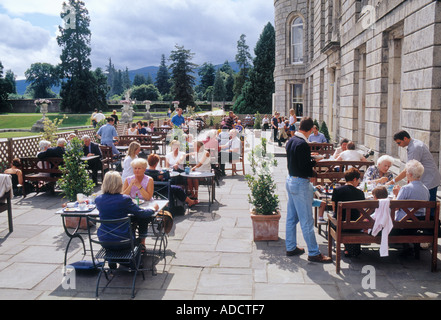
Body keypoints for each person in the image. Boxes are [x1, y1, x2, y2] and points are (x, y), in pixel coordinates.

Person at [285, 117, 332, 263]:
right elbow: (305, 167)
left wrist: (309, 159)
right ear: (311, 128)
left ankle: (291, 247)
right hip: (300, 183)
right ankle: (313, 252)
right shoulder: (303, 144)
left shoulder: (291, 140)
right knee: (307, 220)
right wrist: (315, 161)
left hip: (290, 179)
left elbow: (297, 161)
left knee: (291, 218)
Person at [95, 171, 158, 250]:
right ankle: (138, 249)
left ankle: (112, 260)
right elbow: (142, 213)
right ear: (119, 184)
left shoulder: (98, 199)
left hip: (104, 239)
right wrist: (153, 208)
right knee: (139, 222)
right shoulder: (124, 199)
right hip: (124, 240)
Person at [390, 130, 441, 205]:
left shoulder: (415, 148)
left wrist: (393, 181)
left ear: (405, 138)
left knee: (429, 206)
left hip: (429, 179)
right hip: (427, 178)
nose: (398, 145)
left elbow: (409, 169)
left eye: (399, 143)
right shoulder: (415, 144)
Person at [331, 167, 366, 257]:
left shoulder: (337, 190)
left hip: (340, 224)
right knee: (355, 252)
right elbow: (362, 211)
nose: (358, 182)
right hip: (355, 226)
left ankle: (347, 248)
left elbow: (334, 208)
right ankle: (348, 248)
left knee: (333, 219)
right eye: (358, 180)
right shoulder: (360, 193)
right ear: (354, 179)